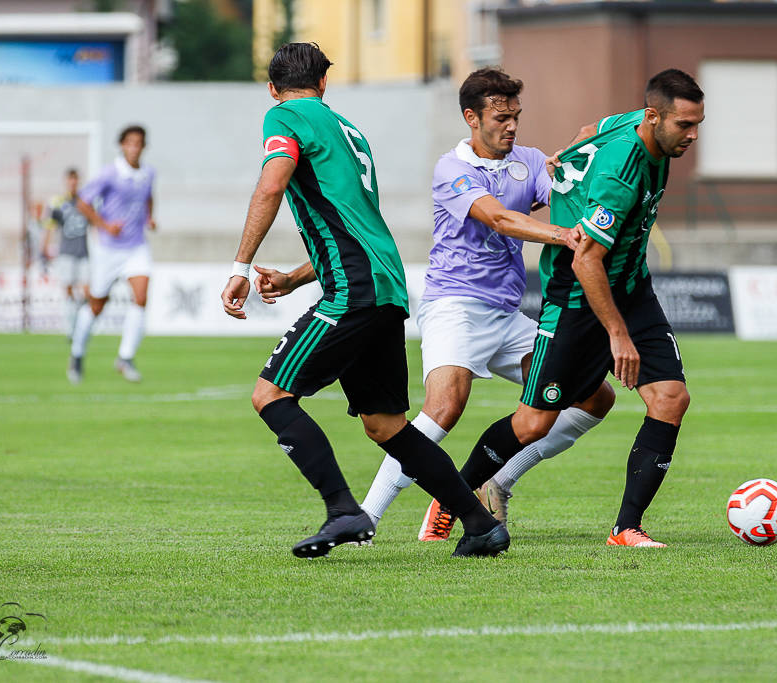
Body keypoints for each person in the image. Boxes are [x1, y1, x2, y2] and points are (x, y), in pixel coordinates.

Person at [220, 42, 509, 559]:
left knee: (271, 395)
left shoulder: (284, 116)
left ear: (273, 88)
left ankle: (342, 510)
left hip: (354, 289)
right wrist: (295, 278)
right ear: (324, 84)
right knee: (386, 425)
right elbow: (356, 223)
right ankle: (479, 524)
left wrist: (241, 266)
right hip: (383, 284)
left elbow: (271, 184)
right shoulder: (346, 131)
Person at [358, 68, 615, 542]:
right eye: (501, 117)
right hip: (454, 305)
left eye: (516, 116)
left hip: (505, 314)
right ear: (471, 118)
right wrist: (565, 236)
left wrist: (584, 155)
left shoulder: (531, 160)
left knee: (595, 396)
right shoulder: (450, 169)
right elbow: (498, 218)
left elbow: (564, 195)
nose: (511, 126)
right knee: (444, 409)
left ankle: (491, 482)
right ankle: (366, 518)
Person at [452, 69, 704, 548]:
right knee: (533, 423)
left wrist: (565, 159)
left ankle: (626, 527)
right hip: (576, 295)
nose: (692, 136)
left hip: (629, 286)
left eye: (697, 124)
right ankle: (454, 499)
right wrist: (617, 334)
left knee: (671, 398)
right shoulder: (619, 174)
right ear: (654, 118)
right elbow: (586, 255)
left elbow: (591, 131)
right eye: (684, 126)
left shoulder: (636, 123)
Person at [67, 125, 157, 384]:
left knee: (141, 297)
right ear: (121, 145)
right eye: (129, 142)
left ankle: (125, 357)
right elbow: (82, 201)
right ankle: (77, 353)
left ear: (143, 146)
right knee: (97, 306)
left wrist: (150, 218)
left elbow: (149, 197)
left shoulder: (148, 173)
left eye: (138, 143)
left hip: (136, 246)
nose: (134, 147)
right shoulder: (110, 173)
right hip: (108, 248)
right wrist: (105, 225)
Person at [42, 168, 90, 338]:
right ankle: (71, 328)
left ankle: (82, 325)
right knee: (68, 289)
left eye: (75, 180)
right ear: (66, 181)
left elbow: (96, 223)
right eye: (70, 180)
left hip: (84, 253)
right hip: (66, 253)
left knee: (87, 291)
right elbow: (49, 227)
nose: (73, 183)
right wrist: (44, 250)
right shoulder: (58, 203)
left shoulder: (85, 202)